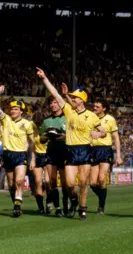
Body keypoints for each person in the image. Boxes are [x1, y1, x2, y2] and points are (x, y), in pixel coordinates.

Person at [36, 68, 105, 221]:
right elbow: (55, 93)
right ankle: (73, 200)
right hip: (71, 151)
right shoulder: (68, 111)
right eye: (72, 97)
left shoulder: (91, 116)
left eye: (75, 97)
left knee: (83, 183)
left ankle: (82, 209)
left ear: (82, 100)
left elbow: (103, 131)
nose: (72, 99)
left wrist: (98, 134)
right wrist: (44, 78)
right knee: (69, 184)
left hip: (85, 150)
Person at [0, 100, 35, 217]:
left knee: (19, 181)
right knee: (12, 184)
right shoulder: (6, 120)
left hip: (21, 155)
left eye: (16, 109)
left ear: (21, 111)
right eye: (12, 109)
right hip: (8, 154)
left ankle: (17, 206)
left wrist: (32, 158)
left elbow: (32, 143)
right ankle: (16, 204)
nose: (13, 111)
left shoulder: (27, 124)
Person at [87, 99, 123, 215]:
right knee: (92, 183)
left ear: (104, 109)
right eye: (94, 106)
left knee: (102, 179)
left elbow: (116, 138)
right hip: (92, 150)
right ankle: (102, 197)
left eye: (98, 106)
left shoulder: (110, 119)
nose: (95, 108)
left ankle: (101, 207)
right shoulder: (90, 118)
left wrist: (118, 155)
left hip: (105, 150)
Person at [40, 96, 68, 217]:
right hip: (51, 152)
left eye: (56, 102)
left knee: (66, 182)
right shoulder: (46, 121)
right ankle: (57, 208)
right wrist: (47, 136)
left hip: (65, 152)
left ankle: (67, 204)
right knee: (51, 181)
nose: (53, 105)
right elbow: (41, 139)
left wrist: (60, 135)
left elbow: (71, 135)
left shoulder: (67, 118)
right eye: (51, 103)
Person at [31, 111, 49, 214]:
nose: (39, 125)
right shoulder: (33, 128)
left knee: (47, 182)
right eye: (37, 123)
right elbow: (32, 146)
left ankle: (49, 203)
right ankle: (41, 207)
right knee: (38, 182)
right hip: (37, 155)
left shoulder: (48, 127)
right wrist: (32, 159)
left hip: (48, 155)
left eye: (40, 123)